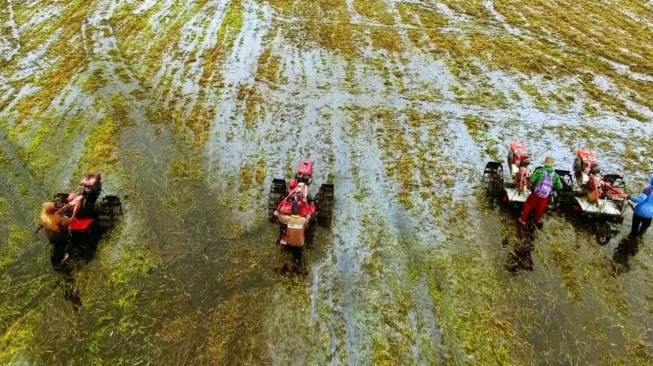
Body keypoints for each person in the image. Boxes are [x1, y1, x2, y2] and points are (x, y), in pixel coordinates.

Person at [519, 156, 562, 226]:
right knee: (540, 209)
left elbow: (532, 180)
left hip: (536, 194)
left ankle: (523, 220)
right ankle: (536, 221)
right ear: (552, 165)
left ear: (545, 164)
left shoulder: (539, 171)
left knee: (528, 205)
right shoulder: (556, 175)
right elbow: (559, 187)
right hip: (545, 197)